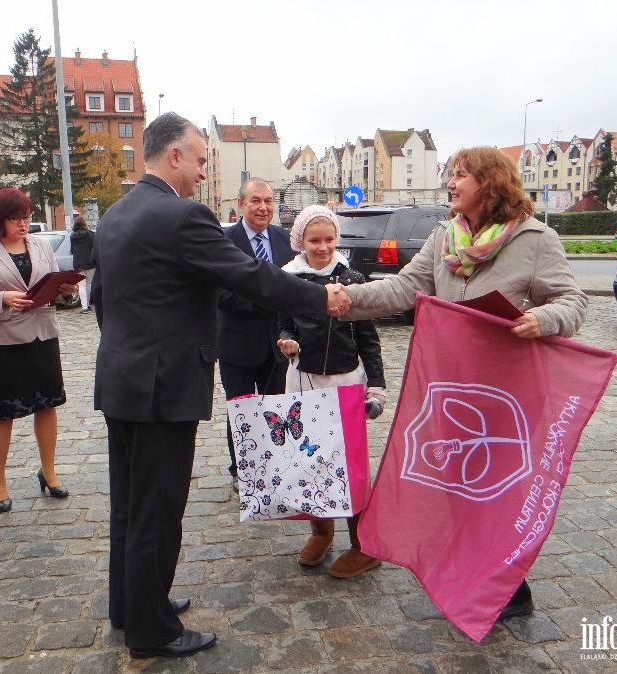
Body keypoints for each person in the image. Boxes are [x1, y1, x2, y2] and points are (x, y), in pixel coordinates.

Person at [91, 112, 349, 660]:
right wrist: (317, 296)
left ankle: (131, 604)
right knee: (158, 509)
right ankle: (152, 631)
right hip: (164, 387)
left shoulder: (116, 214)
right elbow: (248, 275)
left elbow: (102, 302)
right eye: (201, 158)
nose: (204, 170)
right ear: (175, 155)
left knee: (128, 505)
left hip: (122, 379)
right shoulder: (181, 216)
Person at [333, 146, 588, 620]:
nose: (451, 183)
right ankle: (472, 572)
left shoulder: (535, 239)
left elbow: (574, 301)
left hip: (504, 394)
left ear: (489, 184)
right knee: (455, 487)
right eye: (451, 174)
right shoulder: (443, 237)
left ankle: (509, 589)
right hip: (449, 390)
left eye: (461, 175)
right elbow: (402, 289)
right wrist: (344, 298)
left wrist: (542, 317)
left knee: (496, 493)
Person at [276, 204, 388, 578]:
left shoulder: (353, 277)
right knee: (311, 462)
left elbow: (368, 340)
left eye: (329, 239)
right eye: (314, 240)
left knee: (350, 465)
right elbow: (284, 325)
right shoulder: (289, 279)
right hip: (303, 382)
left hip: (345, 382)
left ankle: (363, 544)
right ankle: (321, 532)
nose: (322, 247)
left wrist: (377, 387)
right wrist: (287, 341)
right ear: (300, 241)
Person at [0, 188, 78, 513]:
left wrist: (66, 290)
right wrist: (1, 299)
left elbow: (53, 282)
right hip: (4, 341)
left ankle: (49, 471)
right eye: (16, 218)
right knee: (4, 412)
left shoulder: (40, 245)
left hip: (43, 335)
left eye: (26, 217)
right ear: (0, 220)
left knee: (48, 404)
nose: (23, 224)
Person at [218, 178, 295, 493]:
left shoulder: (285, 239)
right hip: (236, 340)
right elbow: (217, 289)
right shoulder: (223, 240)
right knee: (240, 407)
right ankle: (241, 469)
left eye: (268, 201)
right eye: (255, 201)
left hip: (277, 343)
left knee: (275, 407)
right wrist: (261, 299)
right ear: (241, 205)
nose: (263, 207)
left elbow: (294, 283)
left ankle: (274, 463)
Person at [70, 216, 95, 313]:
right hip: (90, 262)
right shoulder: (90, 235)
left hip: (78, 263)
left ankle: (84, 306)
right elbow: (94, 247)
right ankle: (87, 304)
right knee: (88, 283)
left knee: (81, 285)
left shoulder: (72, 236)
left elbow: (72, 250)